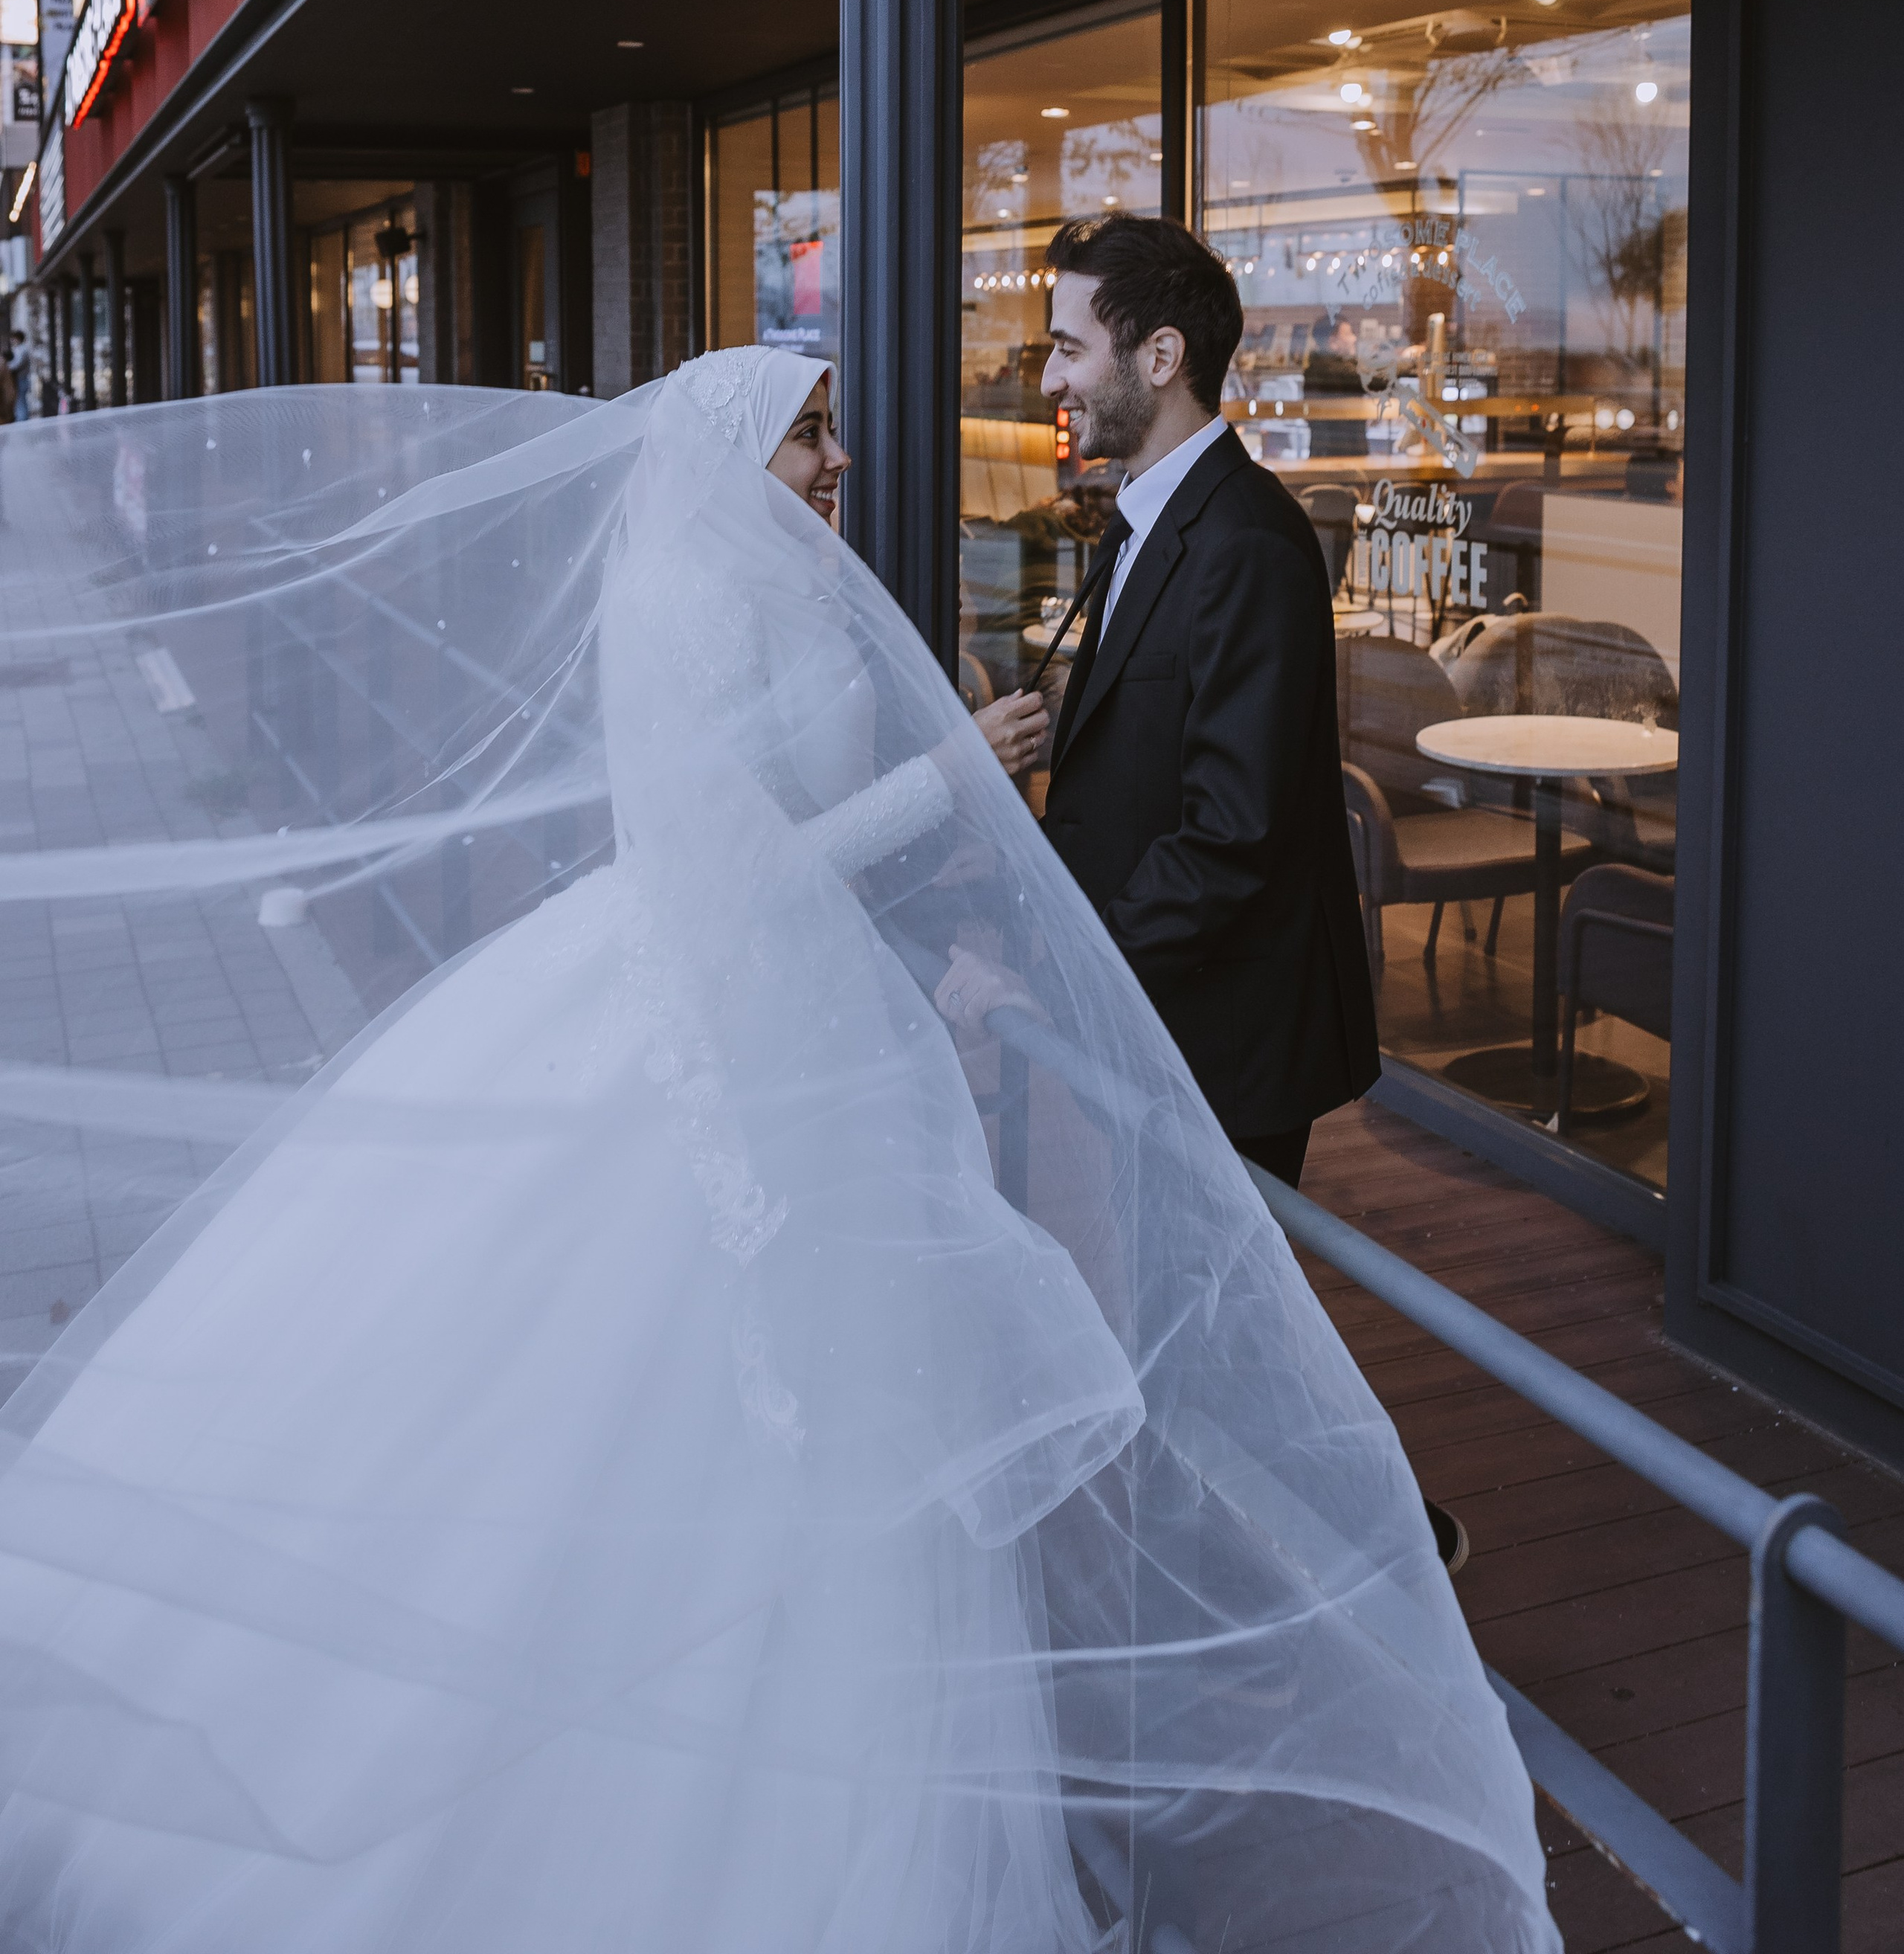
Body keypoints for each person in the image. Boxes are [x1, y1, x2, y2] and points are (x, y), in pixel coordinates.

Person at [0, 352, 1552, 1950]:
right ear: (733, 451)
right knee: (698, 1412)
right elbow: (734, 868)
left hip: (810, 1024)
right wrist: (959, 769)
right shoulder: (688, 599)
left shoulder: (778, 586)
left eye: (828, 430)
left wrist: (939, 890)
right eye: (810, 433)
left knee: (831, 1435)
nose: (840, 458)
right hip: (725, 1031)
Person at [1028, 219, 1377, 1189]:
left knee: (1208, 1339)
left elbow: (1233, 837)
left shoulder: (1250, 542)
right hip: (1155, 1030)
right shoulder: (1151, 513)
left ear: (1162, 355)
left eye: (1068, 349)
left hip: (1222, 1050)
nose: (1051, 380)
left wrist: (1065, 968)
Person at [1302, 310, 1369, 460]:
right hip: (1341, 456)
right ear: (1333, 343)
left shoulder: (1316, 368)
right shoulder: (1333, 370)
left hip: (1325, 454)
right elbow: (1375, 381)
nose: (1354, 339)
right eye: (1349, 334)